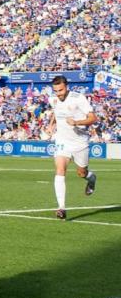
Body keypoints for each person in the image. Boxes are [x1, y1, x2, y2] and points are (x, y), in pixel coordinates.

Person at [47, 76, 97, 220]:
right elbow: (56, 113)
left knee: (81, 172)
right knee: (60, 169)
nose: (59, 93)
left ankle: (91, 178)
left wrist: (76, 122)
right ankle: (61, 208)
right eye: (56, 91)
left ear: (67, 86)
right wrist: (51, 125)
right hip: (62, 140)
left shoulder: (78, 98)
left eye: (61, 90)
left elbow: (93, 118)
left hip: (80, 142)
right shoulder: (53, 99)